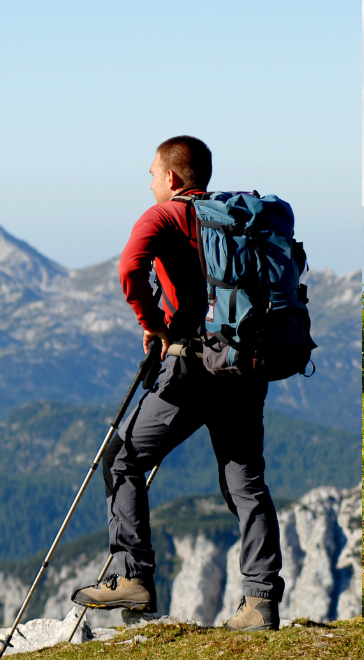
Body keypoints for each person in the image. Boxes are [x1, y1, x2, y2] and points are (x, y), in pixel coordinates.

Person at [69, 136, 284, 631]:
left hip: (189, 369)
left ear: (171, 178)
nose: (149, 183)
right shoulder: (232, 219)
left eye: (150, 174)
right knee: (246, 483)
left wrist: (154, 323)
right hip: (243, 364)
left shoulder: (162, 216)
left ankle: (133, 575)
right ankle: (260, 602)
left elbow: (129, 270)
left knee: (122, 457)